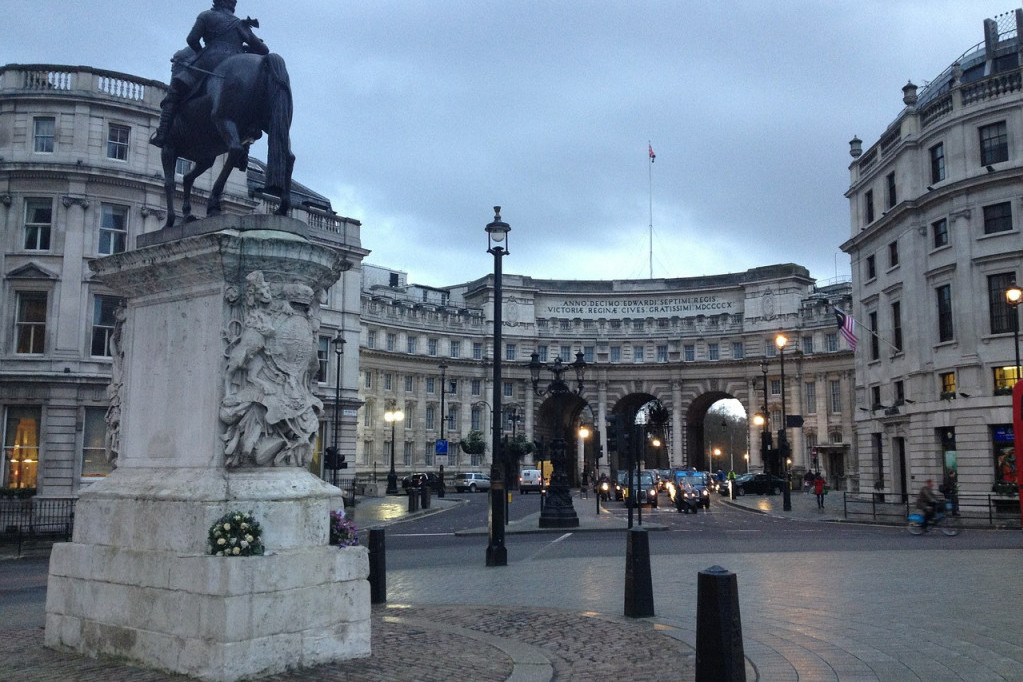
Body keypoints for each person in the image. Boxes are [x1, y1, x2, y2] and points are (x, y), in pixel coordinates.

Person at [150, 0, 269, 147]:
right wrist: (243, 48)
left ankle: (162, 134)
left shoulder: (206, 16)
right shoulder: (240, 24)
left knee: (175, 89)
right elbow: (263, 49)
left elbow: (192, 39)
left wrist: (201, 53)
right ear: (232, 5)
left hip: (210, 60)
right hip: (236, 63)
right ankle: (243, 153)